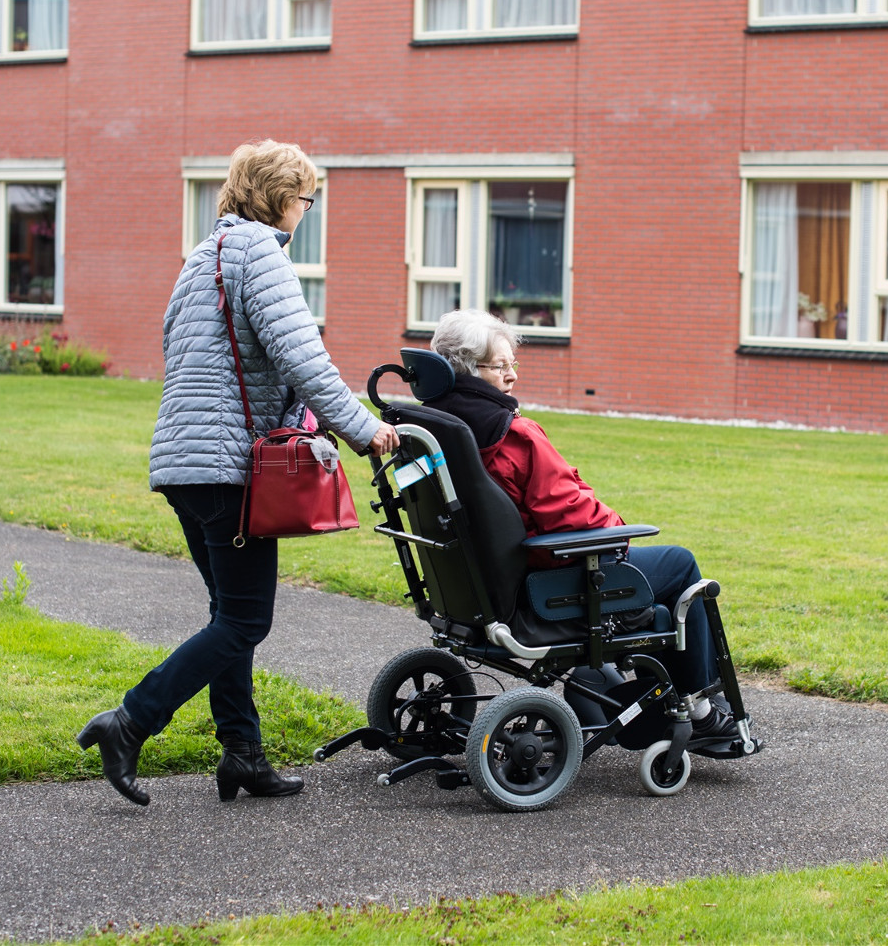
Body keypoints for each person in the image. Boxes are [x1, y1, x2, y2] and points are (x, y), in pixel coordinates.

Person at [77, 140, 399, 806]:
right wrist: (365, 430)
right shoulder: (263, 254)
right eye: (306, 198)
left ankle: (243, 756)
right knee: (246, 621)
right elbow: (304, 360)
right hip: (229, 471)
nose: (306, 210)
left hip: (182, 467)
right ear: (282, 198)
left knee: (229, 613)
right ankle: (132, 722)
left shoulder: (202, 257)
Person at [423, 309, 737, 739]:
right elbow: (569, 513)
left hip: (477, 585)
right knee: (682, 568)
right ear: (466, 369)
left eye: (513, 363)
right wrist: (617, 530)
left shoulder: (433, 427)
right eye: (500, 366)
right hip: (548, 580)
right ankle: (699, 709)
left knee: (661, 587)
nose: (512, 375)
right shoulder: (514, 435)